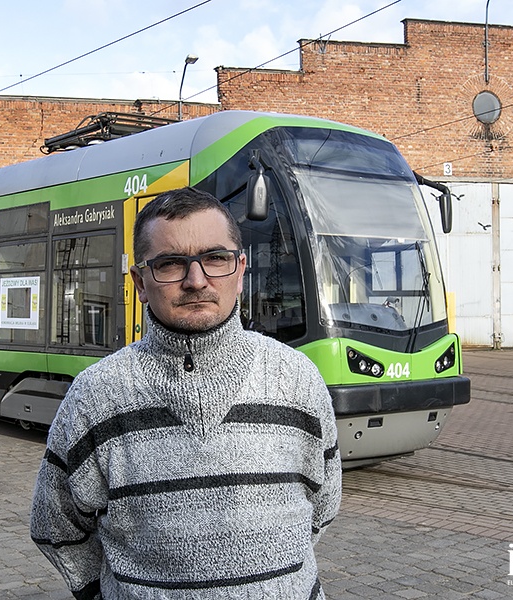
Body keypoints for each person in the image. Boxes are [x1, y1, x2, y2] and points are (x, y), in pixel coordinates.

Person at [30, 187, 342, 600]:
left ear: (240, 269)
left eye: (215, 258)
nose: (197, 281)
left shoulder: (298, 379)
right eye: (171, 264)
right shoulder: (97, 395)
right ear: (140, 282)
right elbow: (55, 526)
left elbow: (322, 508)